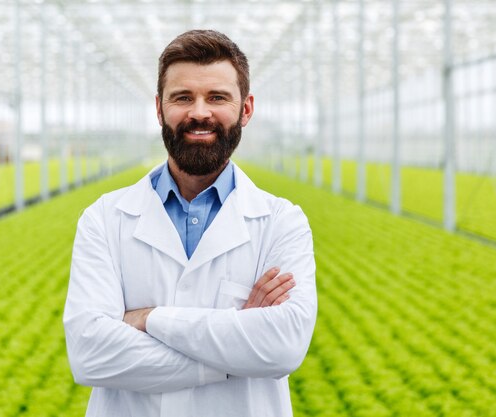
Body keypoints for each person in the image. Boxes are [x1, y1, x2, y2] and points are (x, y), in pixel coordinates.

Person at [63, 29, 317, 417]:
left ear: (246, 109)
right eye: (183, 97)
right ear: (159, 108)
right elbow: (90, 354)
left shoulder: (282, 222)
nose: (200, 112)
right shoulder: (104, 219)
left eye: (217, 97)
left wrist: (150, 319)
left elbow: (282, 346)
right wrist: (233, 357)